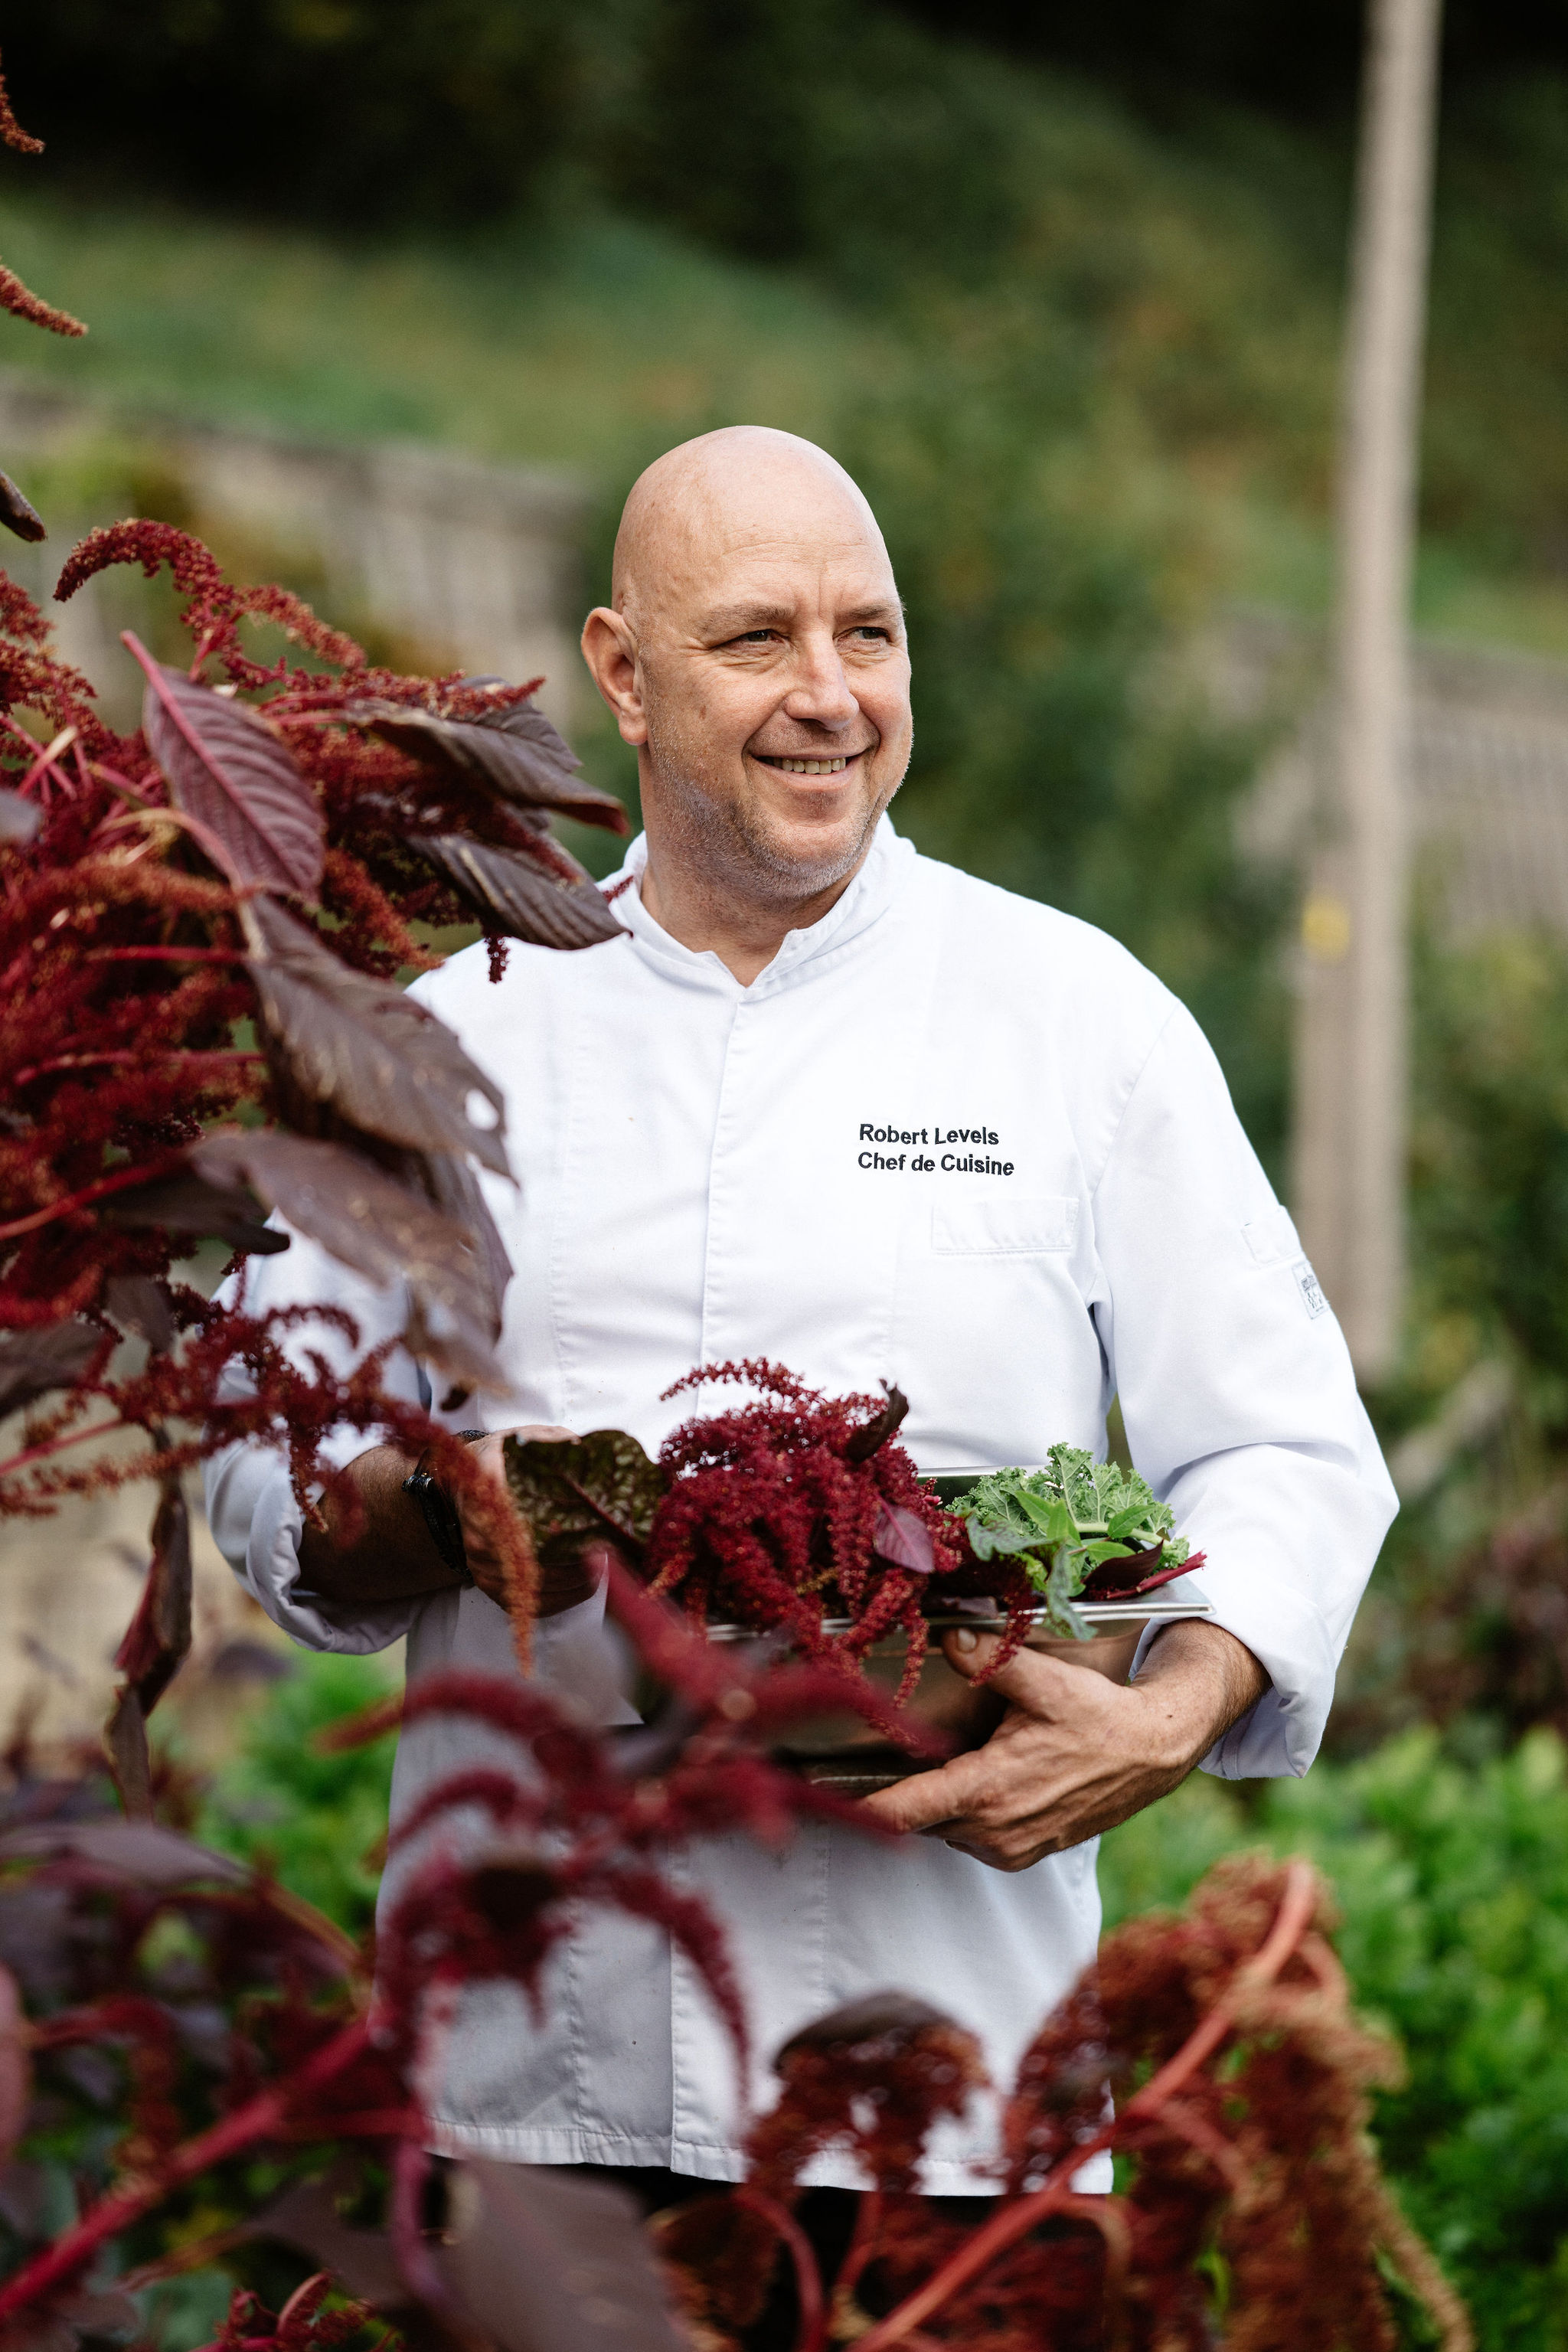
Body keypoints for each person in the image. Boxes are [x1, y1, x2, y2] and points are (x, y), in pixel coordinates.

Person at [205, 425, 1395, 2204]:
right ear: (624, 672)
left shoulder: (1079, 1021)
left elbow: (1283, 1443)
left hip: (960, 2097)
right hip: (537, 2080)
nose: (830, 695)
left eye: (870, 634)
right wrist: (450, 1510)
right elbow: (262, 1451)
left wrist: (1167, 1714)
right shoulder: (453, 1035)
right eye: (758, 637)